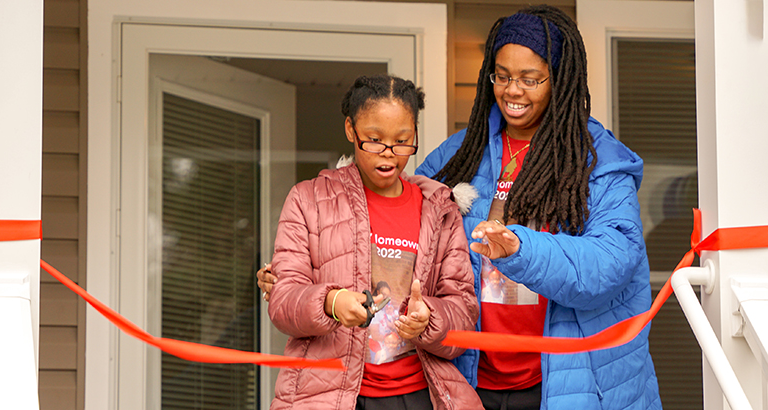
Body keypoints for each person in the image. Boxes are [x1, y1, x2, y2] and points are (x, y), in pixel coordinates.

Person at [261, 5, 663, 410]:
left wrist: (519, 249)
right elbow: (397, 212)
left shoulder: (599, 160)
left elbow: (610, 263)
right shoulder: (460, 154)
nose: (512, 91)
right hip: (471, 379)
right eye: (502, 76)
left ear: (559, 80)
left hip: (567, 382)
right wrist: (306, 273)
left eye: (529, 79)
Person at [265, 74, 482, 410]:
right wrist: (331, 303)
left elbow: (463, 311)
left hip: (418, 395)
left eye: (402, 141)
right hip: (329, 396)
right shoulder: (308, 199)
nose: (388, 154)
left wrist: (430, 319)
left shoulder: (439, 209)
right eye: (374, 139)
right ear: (351, 129)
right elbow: (281, 302)